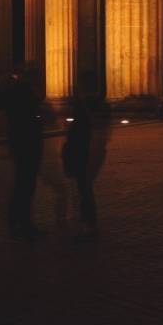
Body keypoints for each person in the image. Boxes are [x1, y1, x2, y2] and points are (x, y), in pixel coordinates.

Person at [0, 62, 45, 242]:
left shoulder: (16, 91)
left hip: (20, 141)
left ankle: (18, 222)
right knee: (25, 185)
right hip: (27, 142)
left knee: (22, 184)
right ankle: (23, 224)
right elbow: (28, 116)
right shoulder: (24, 92)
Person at [61, 97, 108, 242]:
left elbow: (73, 145)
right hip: (83, 160)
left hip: (80, 161)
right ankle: (87, 222)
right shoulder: (88, 124)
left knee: (81, 192)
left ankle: (84, 223)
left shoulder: (81, 125)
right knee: (84, 191)